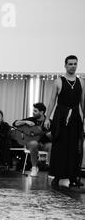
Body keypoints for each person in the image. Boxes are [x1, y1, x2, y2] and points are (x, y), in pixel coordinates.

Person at [45, 56, 85, 188]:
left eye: (75, 64)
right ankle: (57, 177)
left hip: (75, 118)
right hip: (60, 117)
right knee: (59, 147)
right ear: (65, 65)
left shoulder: (82, 82)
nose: (73, 66)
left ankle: (73, 177)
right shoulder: (58, 81)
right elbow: (51, 101)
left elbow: (82, 103)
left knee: (74, 148)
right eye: (70, 64)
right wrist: (46, 118)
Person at [13, 103, 52, 176]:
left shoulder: (49, 122)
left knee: (52, 145)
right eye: (33, 111)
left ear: (42, 112)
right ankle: (34, 167)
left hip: (43, 144)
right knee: (34, 143)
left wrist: (49, 135)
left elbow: (53, 137)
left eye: (35, 111)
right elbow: (15, 123)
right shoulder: (31, 119)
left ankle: (50, 167)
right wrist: (25, 122)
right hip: (31, 143)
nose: (33, 113)